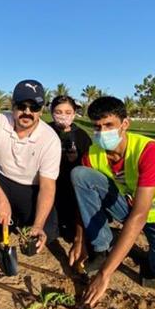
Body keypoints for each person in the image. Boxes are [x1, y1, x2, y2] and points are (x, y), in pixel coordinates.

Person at [70, 96, 155, 307]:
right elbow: (82, 198)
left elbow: (140, 215)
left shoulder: (148, 151)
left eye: (109, 125)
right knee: (80, 174)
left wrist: (104, 274)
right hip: (127, 207)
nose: (102, 132)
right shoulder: (93, 154)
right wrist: (79, 240)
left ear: (125, 124)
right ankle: (101, 248)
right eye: (97, 127)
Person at [0, 80, 61, 260]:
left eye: (35, 107)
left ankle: (15, 216)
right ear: (13, 105)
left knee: (48, 231)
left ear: (42, 110)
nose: (28, 112)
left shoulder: (51, 139)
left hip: (30, 187)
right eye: (22, 106)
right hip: (2, 179)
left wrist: (38, 225)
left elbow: (47, 186)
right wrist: (0, 199)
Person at [48, 95, 91, 242]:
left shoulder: (82, 136)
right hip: (48, 185)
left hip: (72, 189)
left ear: (74, 114)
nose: (63, 116)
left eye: (68, 112)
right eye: (58, 112)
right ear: (52, 112)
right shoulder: (44, 131)